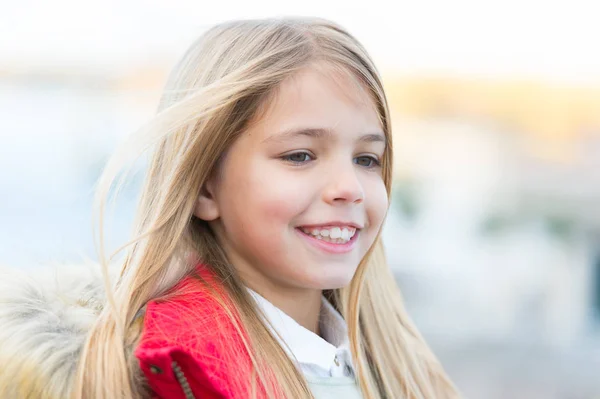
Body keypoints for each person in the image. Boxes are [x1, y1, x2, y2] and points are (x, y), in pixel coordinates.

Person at [0, 17, 459, 399]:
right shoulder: (142, 381)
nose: (349, 188)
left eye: (366, 159)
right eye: (300, 155)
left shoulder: (403, 373)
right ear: (204, 188)